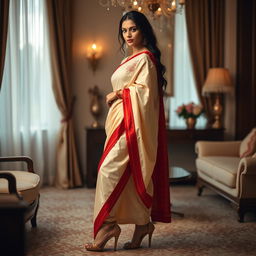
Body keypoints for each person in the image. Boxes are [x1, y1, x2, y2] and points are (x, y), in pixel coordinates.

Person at [85, 10, 171, 252]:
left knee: (106, 171)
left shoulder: (145, 59)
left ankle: (109, 225)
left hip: (132, 127)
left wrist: (118, 94)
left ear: (143, 30)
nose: (128, 34)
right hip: (119, 124)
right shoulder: (128, 60)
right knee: (127, 176)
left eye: (133, 29)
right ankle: (142, 224)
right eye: (124, 30)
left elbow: (144, 94)